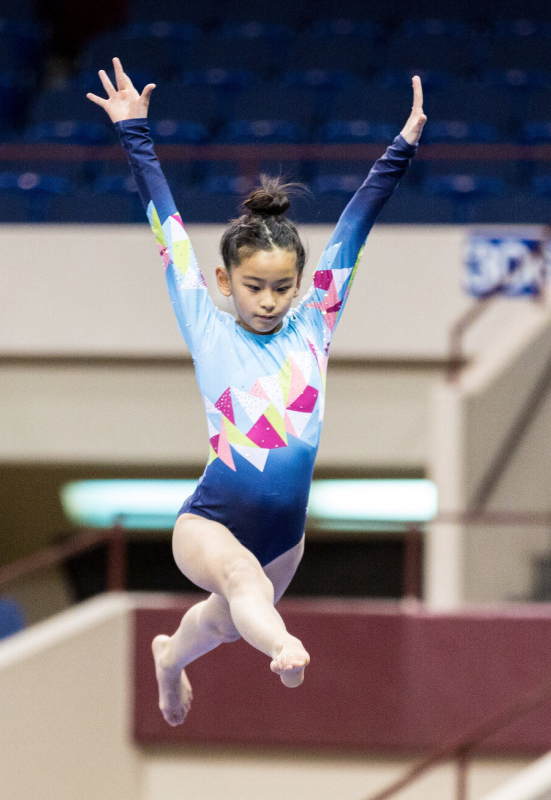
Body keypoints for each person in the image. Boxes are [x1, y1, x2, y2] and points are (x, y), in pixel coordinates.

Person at [87, 58, 425, 726]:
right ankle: (285, 647)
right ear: (222, 281)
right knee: (243, 591)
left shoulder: (315, 324)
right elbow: (169, 228)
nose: (268, 301)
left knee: (223, 621)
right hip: (208, 520)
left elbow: (356, 226)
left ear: (300, 285)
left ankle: (168, 658)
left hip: (284, 540)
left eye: (281, 287)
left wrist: (400, 148)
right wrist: (135, 134)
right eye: (253, 287)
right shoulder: (206, 325)